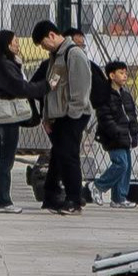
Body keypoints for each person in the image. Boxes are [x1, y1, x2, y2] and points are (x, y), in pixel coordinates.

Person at [0, 30, 53, 214]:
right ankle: (3, 201)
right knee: (6, 159)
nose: (17, 45)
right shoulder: (5, 66)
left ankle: (1, 199)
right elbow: (20, 87)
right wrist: (46, 86)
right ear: (7, 45)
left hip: (4, 116)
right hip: (9, 117)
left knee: (4, 159)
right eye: (14, 42)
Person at [32, 20, 91, 216]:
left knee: (69, 157)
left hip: (73, 115)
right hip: (59, 116)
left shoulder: (73, 54)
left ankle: (74, 199)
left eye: (43, 43)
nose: (43, 48)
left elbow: (81, 89)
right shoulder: (55, 57)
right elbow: (51, 87)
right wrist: (47, 116)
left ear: (51, 35)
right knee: (60, 155)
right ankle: (53, 193)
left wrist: (73, 115)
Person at [88, 61, 138, 208]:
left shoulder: (126, 96)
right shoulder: (105, 96)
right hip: (113, 137)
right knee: (121, 164)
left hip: (127, 136)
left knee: (127, 166)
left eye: (125, 73)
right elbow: (104, 118)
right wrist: (116, 131)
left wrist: (135, 128)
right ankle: (98, 186)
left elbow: (132, 115)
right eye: (121, 73)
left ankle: (119, 198)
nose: (125, 76)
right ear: (111, 75)